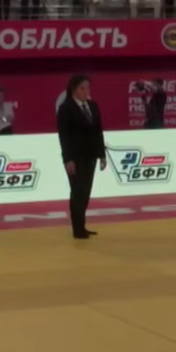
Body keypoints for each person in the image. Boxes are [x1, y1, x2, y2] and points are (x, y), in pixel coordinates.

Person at [57, 74, 108, 239]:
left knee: (86, 192)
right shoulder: (66, 108)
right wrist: (68, 159)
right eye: (82, 88)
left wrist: (102, 155)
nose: (86, 91)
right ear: (74, 89)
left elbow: (98, 131)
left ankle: (82, 225)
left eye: (88, 88)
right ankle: (77, 228)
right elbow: (64, 136)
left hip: (90, 155)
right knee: (77, 192)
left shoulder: (93, 106)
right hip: (75, 157)